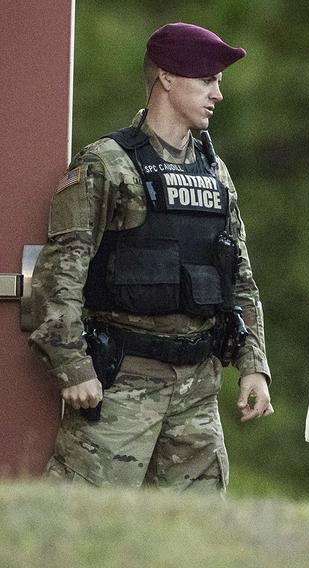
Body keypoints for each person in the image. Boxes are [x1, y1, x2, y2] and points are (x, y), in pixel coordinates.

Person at [29, 22, 273, 491]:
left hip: (198, 391)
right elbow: (59, 274)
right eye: (207, 80)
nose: (218, 94)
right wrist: (73, 367)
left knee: (194, 537)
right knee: (86, 529)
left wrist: (253, 365)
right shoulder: (106, 164)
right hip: (122, 383)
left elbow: (238, 277)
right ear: (166, 77)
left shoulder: (214, 170)